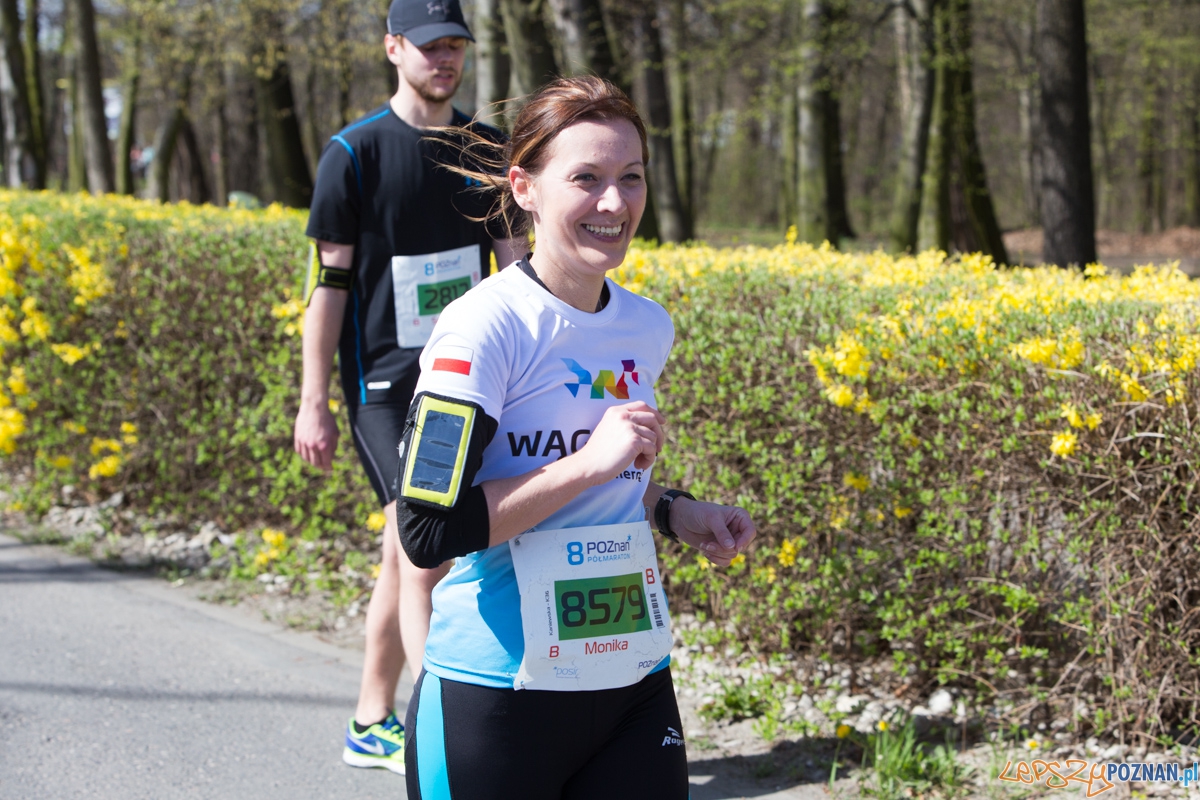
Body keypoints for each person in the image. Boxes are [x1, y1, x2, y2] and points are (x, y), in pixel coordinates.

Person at [393, 76, 757, 799]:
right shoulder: (482, 328)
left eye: (631, 177)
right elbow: (427, 531)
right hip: (497, 689)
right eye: (586, 178)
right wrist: (589, 465)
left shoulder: (646, 325)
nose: (614, 203)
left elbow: (612, 478)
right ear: (524, 188)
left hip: (631, 681)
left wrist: (676, 511)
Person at [294, 0, 521, 775]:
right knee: (422, 549)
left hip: (466, 384)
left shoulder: (487, 148)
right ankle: (439, 727)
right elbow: (328, 289)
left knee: (404, 554)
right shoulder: (352, 154)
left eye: (455, 44)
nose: (444, 58)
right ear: (394, 48)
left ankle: (369, 718)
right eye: (429, 46)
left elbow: (515, 269)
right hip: (386, 389)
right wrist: (313, 402)